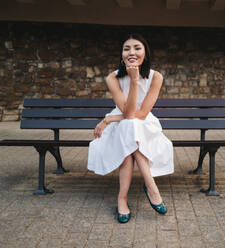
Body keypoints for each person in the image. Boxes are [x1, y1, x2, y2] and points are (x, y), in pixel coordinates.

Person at [87, 34, 174, 223]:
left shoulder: (155, 76)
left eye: (137, 48)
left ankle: (122, 199)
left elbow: (141, 114)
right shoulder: (113, 78)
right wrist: (133, 81)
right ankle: (151, 187)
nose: (131, 52)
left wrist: (109, 119)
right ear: (122, 54)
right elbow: (127, 113)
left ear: (145, 53)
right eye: (127, 48)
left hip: (145, 126)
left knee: (131, 127)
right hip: (122, 125)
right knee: (128, 127)